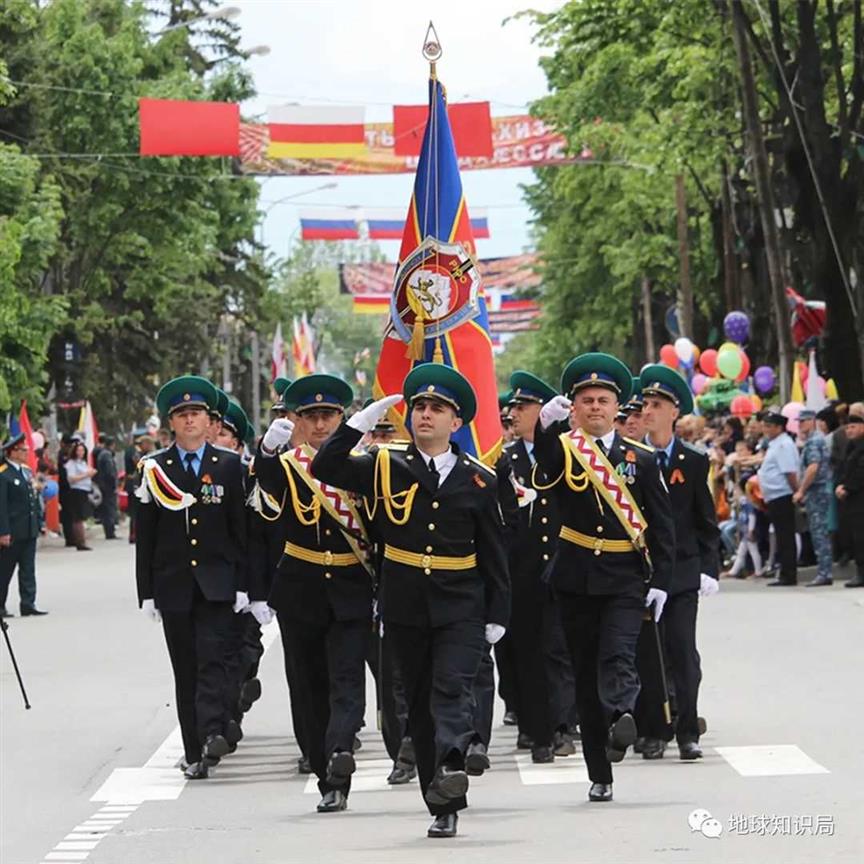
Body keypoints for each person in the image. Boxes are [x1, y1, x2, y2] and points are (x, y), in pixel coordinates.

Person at [310, 363, 510, 839]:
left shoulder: (479, 480)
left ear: (455, 423)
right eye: (419, 406)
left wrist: (498, 614)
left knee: (451, 690)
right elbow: (324, 466)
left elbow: (494, 552)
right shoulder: (384, 464)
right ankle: (438, 796)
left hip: (461, 602)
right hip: (405, 604)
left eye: (437, 408)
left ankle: (453, 767)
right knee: (417, 705)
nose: (425, 414)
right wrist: (356, 424)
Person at [531, 352, 675, 803]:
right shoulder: (564, 448)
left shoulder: (643, 460)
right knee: (586, 675)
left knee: (619, 654)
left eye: (604, 400)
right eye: (587, 400)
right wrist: (545, 428)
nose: (595, 407)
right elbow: (545, 472)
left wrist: (662, 580)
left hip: (624, 576)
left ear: (619, 408)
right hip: (575, 576)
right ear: (574, 407)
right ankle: (601, 770)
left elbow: (662, 526)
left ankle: (622, 715)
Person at [255, 374, 372, 814]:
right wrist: (267, 450)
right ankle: (325, 772)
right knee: (308, 687)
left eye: (329, 416)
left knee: (347, 679)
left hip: (350, 585)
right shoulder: (286, 466)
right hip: (301, 588)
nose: (321, 425)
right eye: (311, 417)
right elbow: (264, 487)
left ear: (342, 419)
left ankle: (341, 752)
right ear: (297, 421)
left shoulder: (362, 463)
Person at [135, 375, 249, 780]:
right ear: (171, 422)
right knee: (186, 668)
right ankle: (194, 750)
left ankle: (215, 730)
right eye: (181, 414)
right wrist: (146, 592)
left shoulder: (229, 465)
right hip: (174, 587)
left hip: (218, 584)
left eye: (195, 413)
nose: (189, 420)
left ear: (209, 421)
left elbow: (241, 531)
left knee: (214, 661)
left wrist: (245, 586)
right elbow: (145, 536)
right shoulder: (155, 469)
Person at [635, 364, 719, 761]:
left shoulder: (693, 460)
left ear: (674, 412)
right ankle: (655, 728)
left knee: (683, 652)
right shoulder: (630, 460)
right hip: (644, 571)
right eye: (645, 403)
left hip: (683, 573)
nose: (647, 411)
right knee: (649, 655)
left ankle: (688, 729)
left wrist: (709, 568)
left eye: (656, 404)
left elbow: (706, 520)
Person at [495, 371, 567, 764]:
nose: (514, 413)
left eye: (523, 407)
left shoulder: (566, 450)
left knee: (561, 651)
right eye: (512, 407)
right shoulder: (505, 459)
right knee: (527, 651)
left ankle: (561, 725)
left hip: (564, 563)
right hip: (521, 569)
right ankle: (536, 727)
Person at [0, 434, 47, 617]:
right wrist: (3, 532)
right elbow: (1, 506)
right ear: (12, 452)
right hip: (12, 530)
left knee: (28, 568)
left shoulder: (26, 471)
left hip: (29, 528)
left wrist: (39, 523)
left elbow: (33, 500)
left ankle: (28, 603)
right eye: (23, 450)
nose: (27, 453)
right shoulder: (3, 474)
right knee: (5, 570)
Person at [757, 412, 800, 586]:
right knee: (781, 536)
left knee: (785, 536)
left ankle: (789, 574)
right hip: (774, 496)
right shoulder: (775, 444)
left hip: (783, 495)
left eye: (769, 426)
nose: (765, 429)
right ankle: (784, 571)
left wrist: (797, 492)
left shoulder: (784, 445)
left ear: (778, 427)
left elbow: (789, 472)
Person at [793, 409, 834, 587]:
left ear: (813, 421)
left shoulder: (814, 441)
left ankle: (825, 573)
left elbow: (813, 467)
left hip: (817, 491)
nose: (801, 424)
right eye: (799, 422)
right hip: (818, 491)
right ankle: (824, 571)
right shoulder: (813, 440)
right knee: (819, 532)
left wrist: (801, 490)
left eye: (804, 421)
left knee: (819, 533)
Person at [836, 413, 864, 588]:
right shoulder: (851, 446)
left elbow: (861, 471)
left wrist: (847, 487)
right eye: (847, 427)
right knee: (855, 535)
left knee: (861, 537)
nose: (849, 430)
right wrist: (841, 484)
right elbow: (844, 469)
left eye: (853, 427)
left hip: (860, 497)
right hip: (852, 499)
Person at [64, 441, 96, 551]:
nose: (80, 452)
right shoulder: (72, 463)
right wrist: (86, 475)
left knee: (82, 517)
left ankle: (82, 540)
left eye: (82, 450)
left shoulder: (82, 463)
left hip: (84, 490)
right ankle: (79, 541)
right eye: (78, 450)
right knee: (78, 517)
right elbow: (71, 479)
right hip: (76, 490)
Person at [95, 436, 119, 539]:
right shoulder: (107, 455)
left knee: (106, 509)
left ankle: (109, 530)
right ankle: (110, 531)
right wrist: (114, 484)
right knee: (110, 508)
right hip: (108, 487)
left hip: (103, 485)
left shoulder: (102, 454)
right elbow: (110, 472)